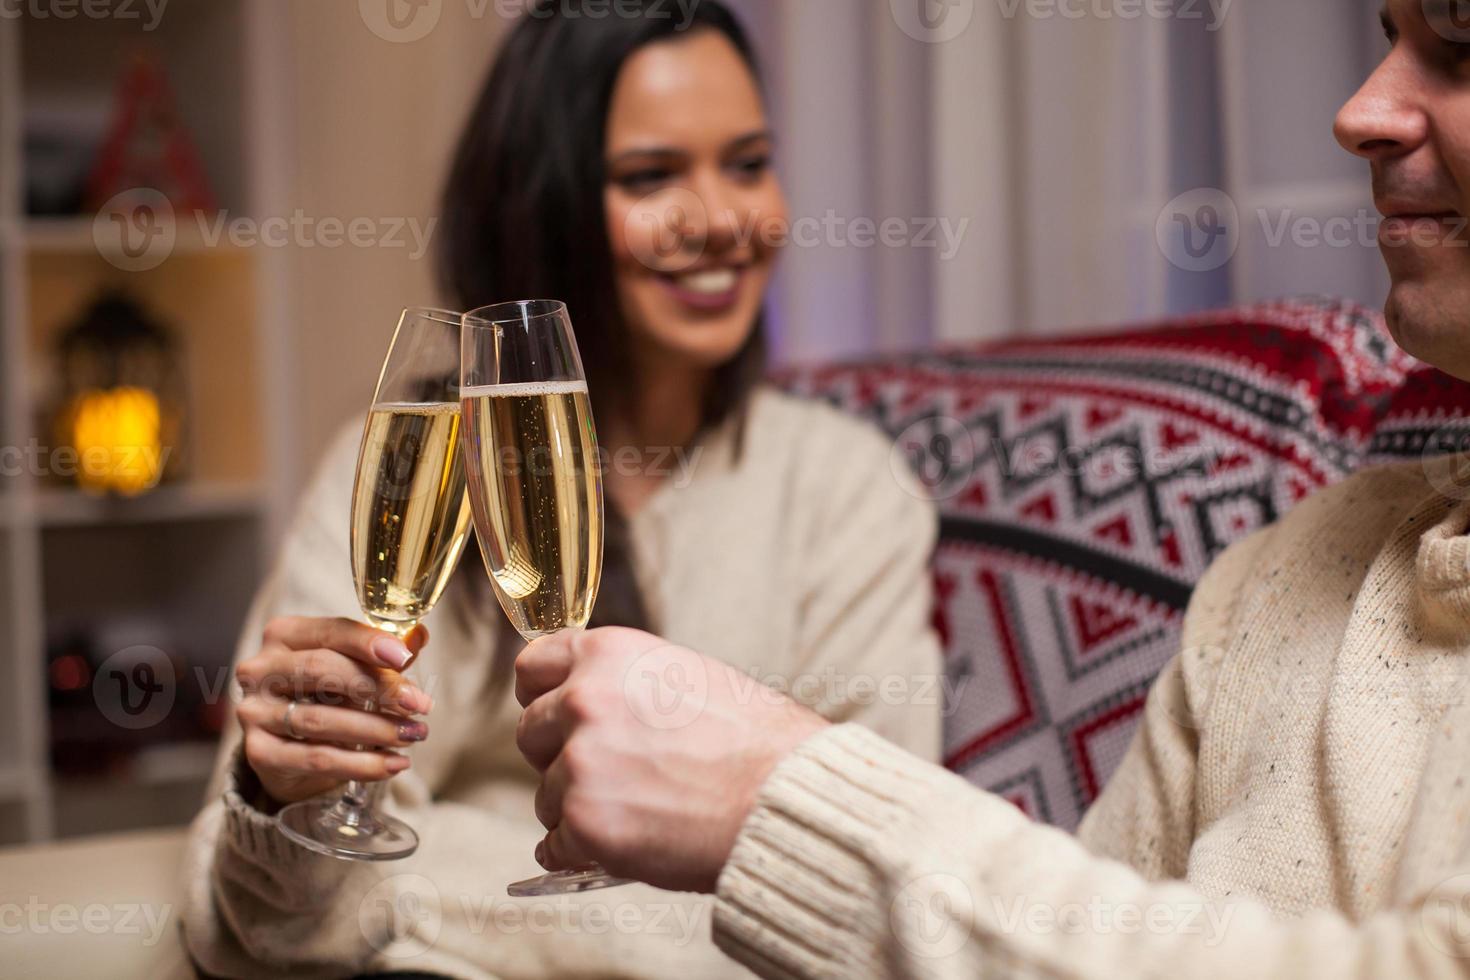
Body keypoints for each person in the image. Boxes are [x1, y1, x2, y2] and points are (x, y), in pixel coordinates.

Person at [514, 1, 1470, 975]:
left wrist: (769, 796)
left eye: (1463, 35)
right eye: (650, 175)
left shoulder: (839, 483)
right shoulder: (1284, 569)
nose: (1359, 110)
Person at [179, 3, 942, 977]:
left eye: (748, 162)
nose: (719, 218)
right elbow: (263, 923)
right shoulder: (418, 458)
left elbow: (866, 888)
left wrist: (424, 874)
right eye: (651, 175)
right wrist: (287, 794)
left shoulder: (849, 488)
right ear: (546, 203)